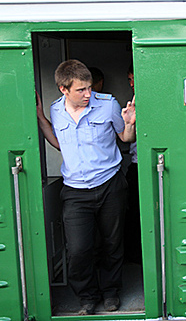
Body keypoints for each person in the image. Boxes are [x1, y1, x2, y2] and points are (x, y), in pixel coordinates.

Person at [37, 59, 136, 315]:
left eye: (89, 87)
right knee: (79, 249)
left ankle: (111, 292)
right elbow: (60, 144)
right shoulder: (56, 110)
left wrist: (129, 123)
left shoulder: (108, 105)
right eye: (81, 90)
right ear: (63, 89)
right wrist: (41, 119)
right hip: (75, 191)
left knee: (112, 244)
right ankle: (87, 297)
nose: (87, 94)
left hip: (109, 184)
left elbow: (125, 138)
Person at [124, 64, 142, 264]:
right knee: (133, 214)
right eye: (129, 79)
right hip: (136, 165)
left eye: (135, 78)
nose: (132, 84)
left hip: (151, 165)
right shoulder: (131, 104)